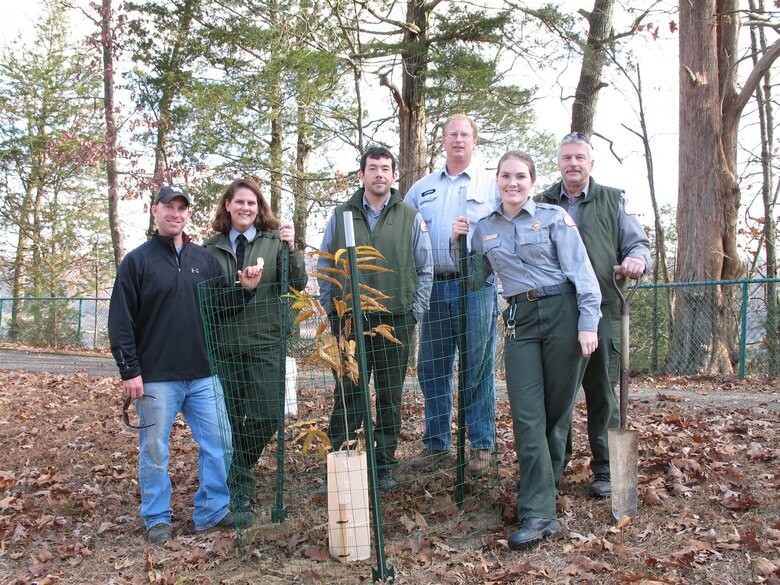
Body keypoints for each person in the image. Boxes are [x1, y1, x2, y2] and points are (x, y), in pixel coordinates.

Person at [452, 150, 601, 549]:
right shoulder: (484, 228)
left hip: (563, 313)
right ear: (496, 181)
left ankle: (542, 494)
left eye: (520, 176)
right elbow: (471, 281)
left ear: (532, 181)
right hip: (519, 319)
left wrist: (588, 323)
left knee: (557, 412)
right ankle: (539, 511)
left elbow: (582, 272)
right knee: (527, 415)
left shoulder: (553, 217)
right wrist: (457, 242)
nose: (512, 183)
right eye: (505, 176)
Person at [108, 186, 261, 544]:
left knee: (220, 442)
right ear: (155, 212)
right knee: (155, 450)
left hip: (203, 373)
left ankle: (211, 511)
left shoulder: (202, 258)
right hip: (157, 377)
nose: (176, 214)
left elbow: (222, 307)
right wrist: (130, 370)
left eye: (182, 209)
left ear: (188, 215)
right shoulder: (137, 261)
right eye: (169, 208)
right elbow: (120, 321)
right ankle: (157, 517)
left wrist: (245, 290)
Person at [537, 132, 651, 498]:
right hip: (557, 315)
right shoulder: (541, 203)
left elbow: (638, 243)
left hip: (604, 309)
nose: (573, 163)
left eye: (580, 158)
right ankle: (555, 468)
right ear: (559, 162)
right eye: (567, 157)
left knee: (603, 393)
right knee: (559, 397)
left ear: (591, 163)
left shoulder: (613, 199)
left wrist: (636, 259)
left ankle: (606, 470)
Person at [317, 145, 433, 492]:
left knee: (388, 396)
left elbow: (425, 268)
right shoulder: (341, 216)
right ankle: (342, 462)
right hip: (350, 322)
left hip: (395, 320)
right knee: (348, 393)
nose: (379, 174)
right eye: (373, 168)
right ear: (362, 175)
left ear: (394, 175)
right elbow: (324, 267)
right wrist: (333, 310)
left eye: (386, 168)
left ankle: (384, 465)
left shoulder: (410, 216)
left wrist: (415, 311)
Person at [203, 178, 307, 527]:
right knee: (229, 423)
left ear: (259, 208)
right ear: (228, 206)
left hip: (267, 342)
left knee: (268, 415)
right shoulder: (210, 248)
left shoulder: (276, 242)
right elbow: (206, 299)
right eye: (239, 202)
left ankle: (240, 467)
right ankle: (240, 490)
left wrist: (293, 249)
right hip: (225, 346)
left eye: (252, 203)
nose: (245, 208)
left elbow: (297, 283)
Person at [404, 113, 499, 476]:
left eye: (465, 134)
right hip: (433, 286)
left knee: (477, 366)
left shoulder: (491, 185)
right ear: (442, 140)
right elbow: (404, 230)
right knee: (432, 368)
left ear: (474, 141)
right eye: (451, 134)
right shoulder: (421, 188)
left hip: (476, 285)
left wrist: (473, 234)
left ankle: (481, 446)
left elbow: (505, 232)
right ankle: (436, 443)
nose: (458, 140)